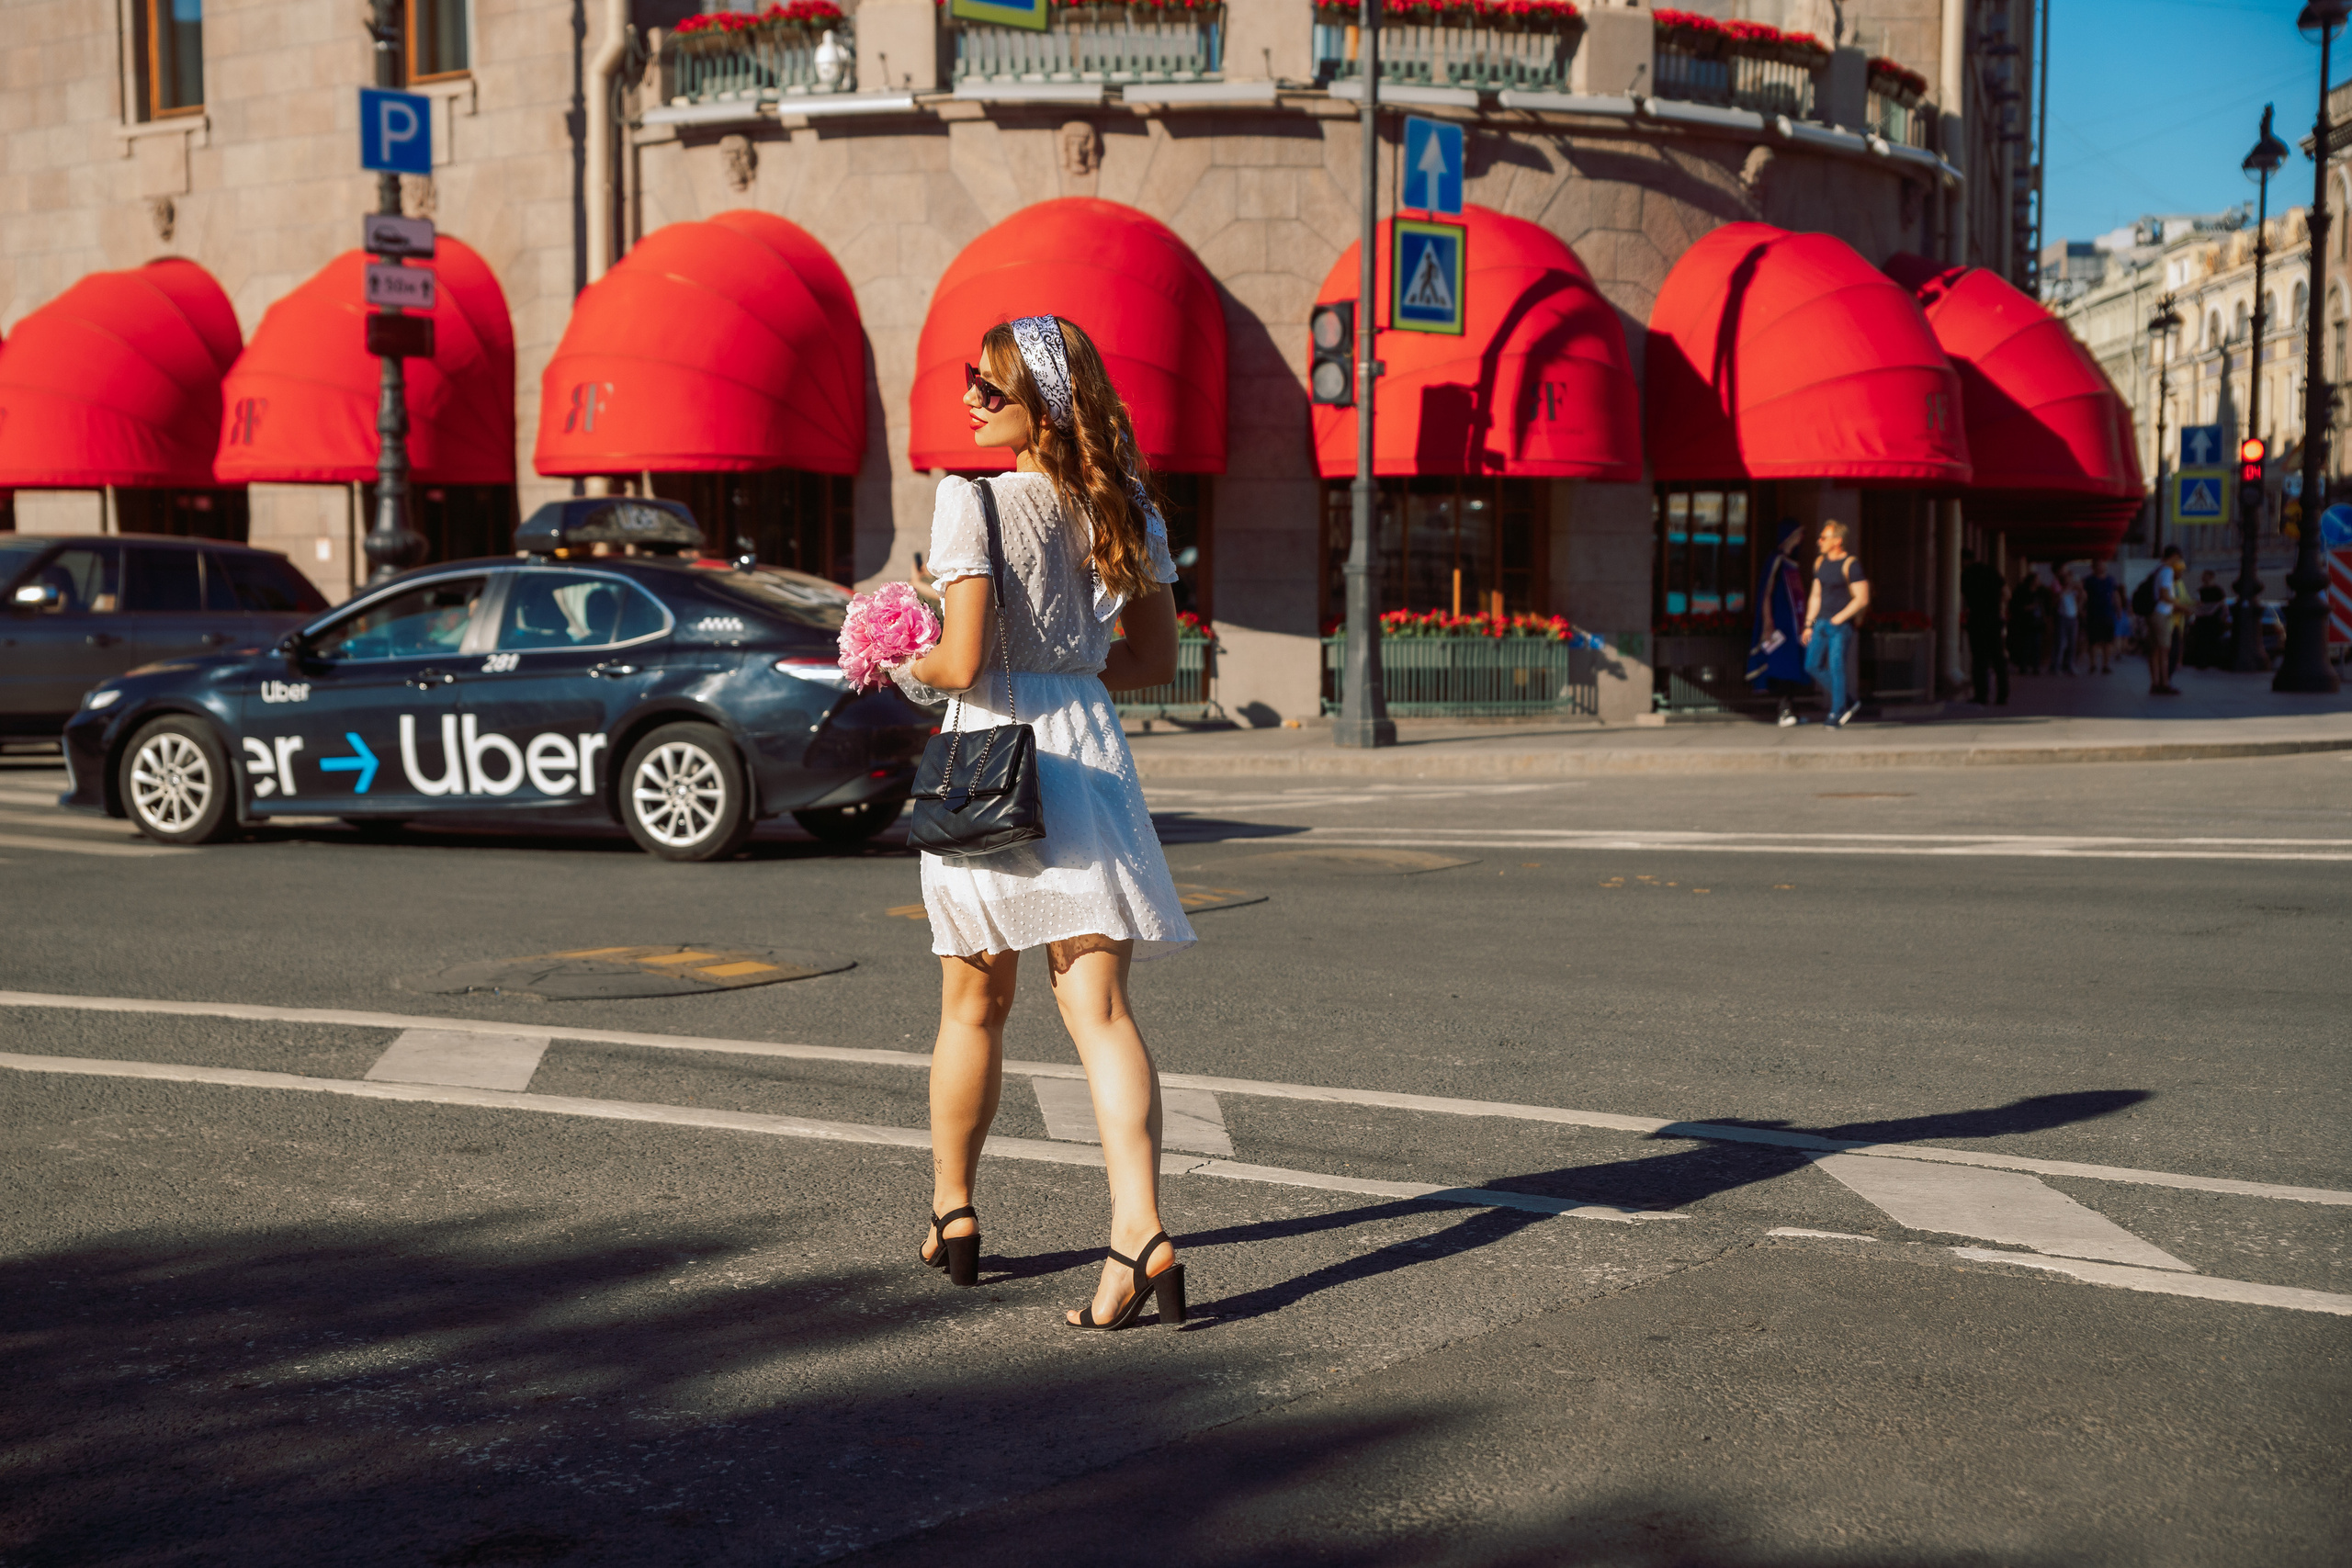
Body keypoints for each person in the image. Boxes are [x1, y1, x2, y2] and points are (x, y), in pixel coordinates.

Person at [894, 314, 1197, 1332]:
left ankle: (956, 1210)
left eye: (990, 387)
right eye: (968, 383)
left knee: (973, 1004)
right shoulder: (1123, 507)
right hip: (1089, 757)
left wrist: (898, 652)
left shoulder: (970, 503)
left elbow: (963, 662)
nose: (970, 401)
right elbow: (1154, 663)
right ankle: (1139, 1231)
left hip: (993, 758)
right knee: (1100, 1012)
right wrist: (1068, 657)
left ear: (1042, 403)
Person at [1802, 519, 1868, 726]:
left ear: (1837, 541)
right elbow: (1816, 595)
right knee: (1812, 665)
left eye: (1824, 537)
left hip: (1840, 626)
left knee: (1837, 666)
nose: (1819, 540)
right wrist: (1808, 624)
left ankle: (1837, 712)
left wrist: (1840, 617)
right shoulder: (1820, 563)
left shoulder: (1851, 564)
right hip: (1820, 623)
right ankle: (1847, 700)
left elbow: (1862, 598)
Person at [1747, 518, 1811, 725]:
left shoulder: (1791, 561)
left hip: (1794, 627)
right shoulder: (1776, 560)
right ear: (1790, 535)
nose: (1802, 538)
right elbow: (1766, 593)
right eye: (1799, 533)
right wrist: (1768, 623)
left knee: (1793, 667)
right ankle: (1783, 711)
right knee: (1782, 667)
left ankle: (1791, 709)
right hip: (1779, 625)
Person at [1960, 547, 2008, 705]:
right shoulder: (1991, 571)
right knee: (1998, 658)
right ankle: (2002, 695)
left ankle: (1981, 695)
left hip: (1977, 620)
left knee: (1979, 660)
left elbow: (1965, 597)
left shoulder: (1966, 575)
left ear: (1964, 560)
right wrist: (1998, 607)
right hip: (1993, 619)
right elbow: (2007, 593)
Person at [2144, 545, 2188, 694]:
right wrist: (2180, 604)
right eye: (2179, 558)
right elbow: (2164, 594)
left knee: (2155, 650)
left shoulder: (2158, 568)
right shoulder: (2168, 571)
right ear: (2174, 556)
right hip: (2161, 614)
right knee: (2164, 651)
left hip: (2153, 613)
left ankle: (2155, 682)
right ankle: (2164, 683)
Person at [2082, 558, 2121, 674]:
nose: (2102, 567)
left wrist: (2119, 609)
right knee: (2093, 641)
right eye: (2099, 565)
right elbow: (2084, 596)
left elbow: (2115, 595)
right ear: (2094, 567)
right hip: (2093, 614)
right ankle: (2093, 663)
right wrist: (2083, 609)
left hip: (2107, 613)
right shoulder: (2088, 581)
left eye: (2103, 565)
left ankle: (2106, 664)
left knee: (2107, 641)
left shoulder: (2110, 580)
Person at [2007, 566, 2043, 675]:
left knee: (2036, 646)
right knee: (2025, 646)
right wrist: (2029, 607)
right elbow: (2017, 606)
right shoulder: (2023, 592)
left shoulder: (2039, 593)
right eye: (2037, 580)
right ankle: (2023, 666)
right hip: (2026, 623)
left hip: (2037, 623)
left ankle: (2035, 667)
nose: (2039, 582)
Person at [2049, 567, 2081, 675]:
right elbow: (2055, 600)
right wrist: (2066, 589)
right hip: (2062, 617)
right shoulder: (2059, 589)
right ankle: (2056, 666)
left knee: (2072, 643)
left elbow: (2081, 599)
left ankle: (2069, 665)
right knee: (2060, 642)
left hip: (2073, 617)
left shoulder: (2074, 591)